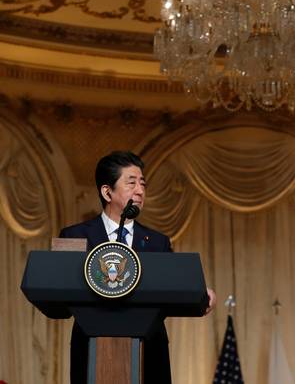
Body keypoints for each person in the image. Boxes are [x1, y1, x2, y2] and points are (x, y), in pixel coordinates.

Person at [60, 150, 216, 384]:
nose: (140, 191)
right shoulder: (75, 236)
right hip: (92, 349)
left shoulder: (157, 242)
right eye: (131, 183)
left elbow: (172, 288)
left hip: (150, 352)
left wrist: (199, 295)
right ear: (107, 191)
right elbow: (59, 292)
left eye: (142, 184)